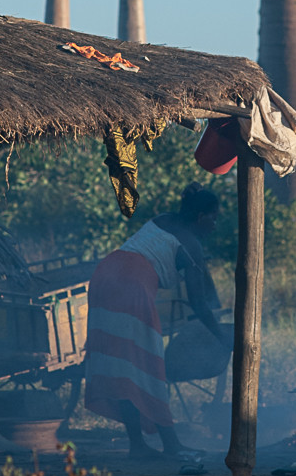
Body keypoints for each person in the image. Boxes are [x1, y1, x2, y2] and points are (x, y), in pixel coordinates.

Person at [84, 182, 226, 458]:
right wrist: (221, 335)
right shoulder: (191, 245)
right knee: (147, 364)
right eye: (214, 217)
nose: (215, 223)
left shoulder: (164, 220)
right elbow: (198, 303)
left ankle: (138, 446)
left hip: (105, 276)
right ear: (200, 217)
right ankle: (171, 444)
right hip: (131, 286)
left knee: (124, 365)